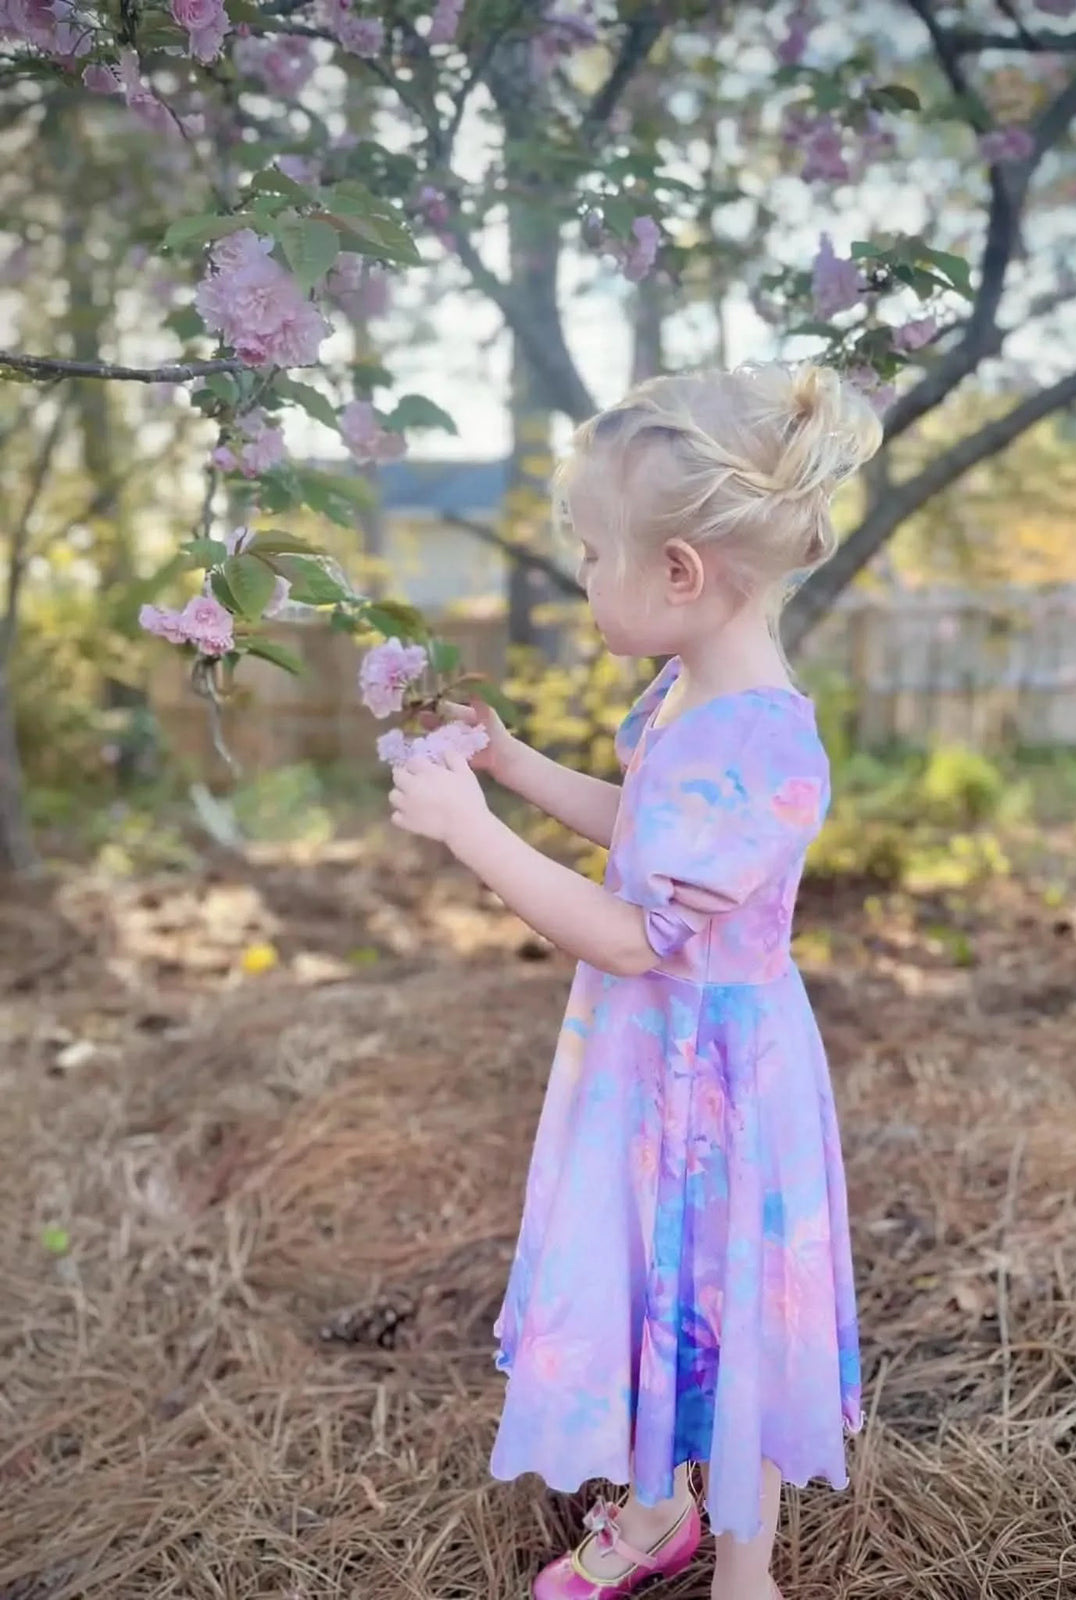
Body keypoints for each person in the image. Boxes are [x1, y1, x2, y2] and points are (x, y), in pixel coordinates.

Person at [388, 361, 881, 1600]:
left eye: (595, 553)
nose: (585, 577)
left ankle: (746, 1574)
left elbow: (626, 934)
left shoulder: (767, 743)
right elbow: (643, 824)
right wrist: (509, 763)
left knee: (725, 1297)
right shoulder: (688, 695)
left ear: (680, 573)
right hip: (649, 1059)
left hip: (716, 1073)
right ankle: (661, 1506)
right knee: (658, 1283)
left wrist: (469, 831)